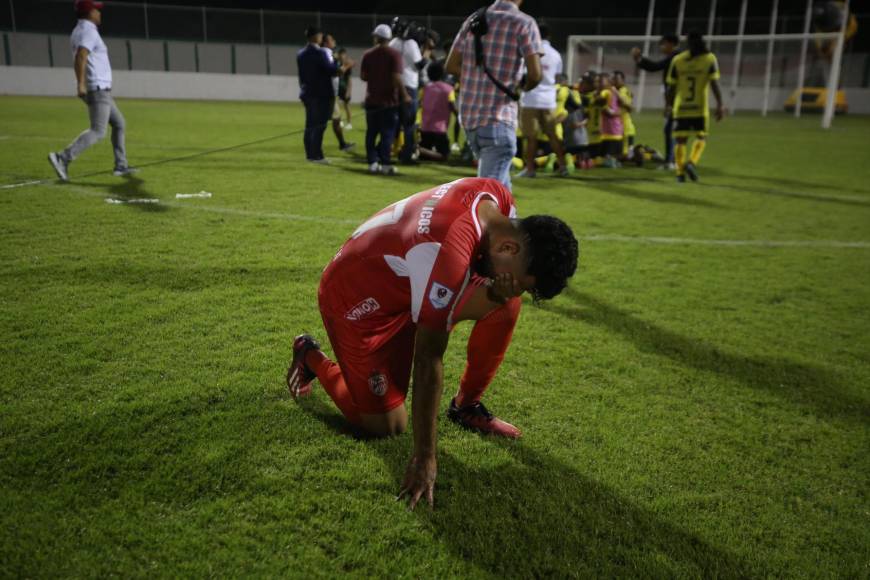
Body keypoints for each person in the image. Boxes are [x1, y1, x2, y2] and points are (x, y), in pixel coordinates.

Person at [287, 176, 579, 509]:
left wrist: (499, 293)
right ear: (509, 248)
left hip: (409, 286)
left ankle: (466, 405)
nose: (520, 287)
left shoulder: (498, 200)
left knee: (506, 302)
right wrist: (425, 456)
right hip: (358, 303)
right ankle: (309, 355)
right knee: (385, 426)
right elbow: (428, 358)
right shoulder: (444, 253)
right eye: (525, 283)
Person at [445, 0, 543, 190]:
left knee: (502, 193)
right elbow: (535, 74)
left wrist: (477, 79)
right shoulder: (523, 22)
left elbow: (451, 65)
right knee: (488, 197)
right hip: (499, 119)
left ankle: (510, 219)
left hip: (469, 118)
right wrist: (520, 89)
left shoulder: (473, 19)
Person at [48, 0, 135, 182]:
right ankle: (62, 157)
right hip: (97, 88)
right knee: (98, 131)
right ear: (89, 12)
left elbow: (81, 56)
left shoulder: (80, 30)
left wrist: (81, 84)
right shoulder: (88, 31)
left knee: (119, 123)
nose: (99, 13)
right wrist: (80, 84)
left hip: (100, 89)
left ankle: (121, 165)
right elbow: (81, 56)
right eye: (97, 10)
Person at [665, 31, 724, 183]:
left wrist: (668, 105)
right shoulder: (709, 59)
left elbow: (670, 87)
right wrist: (720, 104)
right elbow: (715, 84)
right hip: (699, 107)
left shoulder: (678, 60)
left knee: (680, 140)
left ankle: (679, 173)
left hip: (681, 107)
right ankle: (691, 163)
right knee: (701, 137)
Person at [517, 23, 569, 178]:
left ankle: (530, 169)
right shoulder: (556, 54)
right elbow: (558, 78)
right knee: (553, 135)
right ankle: (563, 166)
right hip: (548, 100)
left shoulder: (528, 51)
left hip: (530, 99)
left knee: (530, 137)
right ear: (549, 36)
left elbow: (523, 76)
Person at [360, 24, 411, 175]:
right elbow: (396, 77)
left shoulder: (367, 54)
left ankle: (372, 162)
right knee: (387, 134)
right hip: (389, 102)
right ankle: (385, 163)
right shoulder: (394, 55)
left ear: (376, 37)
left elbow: (364, 77)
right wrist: (405, 95)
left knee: (371, 132)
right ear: (388, 38)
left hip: (372, 100)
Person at [631, 34, 680, 170]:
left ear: (671, 43)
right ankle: (672, 160)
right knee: (672, 129)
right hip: (677, 97)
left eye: (663, 44)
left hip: (677, 98)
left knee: (671, 129)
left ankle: (672, 161)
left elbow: (655, 66)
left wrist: (639, 59)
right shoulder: (678, 57)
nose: (661, 47)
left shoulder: (675, 57)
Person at [390, 19, 431, 164]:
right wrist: (427, 51)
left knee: (394, 122)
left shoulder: (393, 42)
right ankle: (406, 155)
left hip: (394, 85)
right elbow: (420, 65)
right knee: (409, 124)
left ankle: (386, 151)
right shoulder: (411, 44)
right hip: (409, 86)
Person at [297, 26, 340, 164]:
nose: (321, 37)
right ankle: (317, 155)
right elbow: (331, 70)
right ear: (315, 36)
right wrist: (337, 62)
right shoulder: (320, 53)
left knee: (310, 124)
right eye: (320, 35)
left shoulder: (300, 54)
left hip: (307, 92)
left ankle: (310, 154)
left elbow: (302, 76)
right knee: (320, 125)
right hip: (321, 94)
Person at [321, 33, 354, 153]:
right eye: (331, 40)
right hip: (328, 94)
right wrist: (347, 65)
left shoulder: (328, 54)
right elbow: (335, 72)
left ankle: (342, 144)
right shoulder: (326, 53)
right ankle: (315, 150)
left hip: (330, 94)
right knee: (324, 122)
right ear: (325, 43)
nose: (334, 41)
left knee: (335, 119)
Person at [417, 61, 457, 162]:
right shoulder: (448, 89)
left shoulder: (425, 89)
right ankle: (419, 149)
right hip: (440, 129)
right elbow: (453, 106)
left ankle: (422, 150)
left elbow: (419, 104)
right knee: (445, 156)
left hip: (425, 128)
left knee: (425, 157)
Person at [598, 73, 623, 168]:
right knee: (611, 150)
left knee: (611, 151)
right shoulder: (609, 92)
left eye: (601, 81)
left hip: (613, 128)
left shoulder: (608, 92)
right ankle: (611, 160)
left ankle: (610, 160)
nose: (599, 83)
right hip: (611, 129)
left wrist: (612, 112)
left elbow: (622, 103)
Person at [612, 70, 637, 161]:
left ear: (622, 80)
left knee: (625, 156)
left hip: (626, 127)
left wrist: (615, 92)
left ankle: (646, 154)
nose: (613, 81)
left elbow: (626, 105)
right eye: (613, 79)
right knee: (620, 154)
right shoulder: (615, 91)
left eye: (616, 79)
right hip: (617, 127)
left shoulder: (624, 91)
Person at [336, 47, 353, 129]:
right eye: (340, 54)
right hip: (337, 89)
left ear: (345, 55)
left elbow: (349, 80)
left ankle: (349, 123)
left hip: (344, 89)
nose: (341, 56)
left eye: (343, 54)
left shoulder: (347, 66)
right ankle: (340, 121)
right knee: (337, 106)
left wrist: (348, 91)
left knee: (347, 106)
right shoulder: (336, 64)